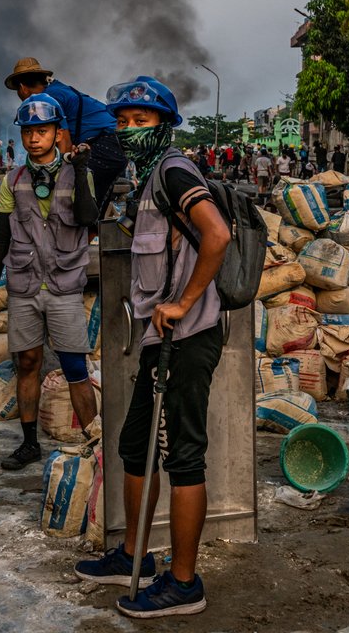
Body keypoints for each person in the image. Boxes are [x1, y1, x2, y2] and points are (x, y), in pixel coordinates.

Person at [74, 75, 229, 619]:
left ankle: (184, 585)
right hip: (156, 339)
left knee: (185, 457)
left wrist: (183, 302)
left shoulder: (175, 169)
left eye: (141, 121)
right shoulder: (146, 178)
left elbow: (217, 235)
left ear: (165, 125)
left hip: (186, 338)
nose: (129, 131)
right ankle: (133, 554)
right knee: (135, 445)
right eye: (122, 122)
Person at [0, 95, 97, 470]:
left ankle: (94, 442)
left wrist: (80, 171)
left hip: (63, 286)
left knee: (74, 365)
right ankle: (29, 443)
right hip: (24, 285)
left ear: (57, 133)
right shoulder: (13, 178)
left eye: (42, 131)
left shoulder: (79, 171)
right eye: (28, 131)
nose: (34, 138)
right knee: (27, 362)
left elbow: (88, 219)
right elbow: (0, 234)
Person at [4, 57, 127, 216]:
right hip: (114, 143)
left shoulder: (48, 100)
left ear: (22, 88)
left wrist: (58, 175)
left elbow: (64, 142)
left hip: (106, 144)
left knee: (75, 194)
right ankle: (93, 232)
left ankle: (86, 233)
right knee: (94, 201)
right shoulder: (56, 89)